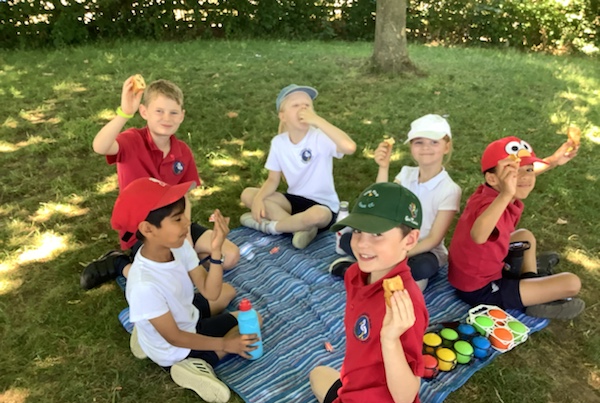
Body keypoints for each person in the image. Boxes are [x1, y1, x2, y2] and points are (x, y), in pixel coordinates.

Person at [261, 182, 429, 403]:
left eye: (377, 234)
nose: (362, 243)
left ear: (409, 240)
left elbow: (405, 395)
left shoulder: (402, 304)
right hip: (368, 401)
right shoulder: (355, 275)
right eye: (359, 230)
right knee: (318, 374)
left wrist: (389, 339)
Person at [80, 76, 240, 290]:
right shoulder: (132, 140)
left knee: (230, 256)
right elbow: (100, 147)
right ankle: (120, 264)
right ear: (144, 112)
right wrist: (124, 113)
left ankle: (182, 265)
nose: (167, 118)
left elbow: (184, 196)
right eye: (159, 111)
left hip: (175, 223)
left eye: (173, 112)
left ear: (182, 116)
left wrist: (186, 234)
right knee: (167, 281)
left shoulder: (182, 151)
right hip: (145, 230)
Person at [111, 177, 259, 403]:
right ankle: (194, 364)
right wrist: (225, 344)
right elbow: (176, 337)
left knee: (227, 291)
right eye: (178, 218)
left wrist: (216, 251)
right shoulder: (144, 285)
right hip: (175, 346)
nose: (187, 223)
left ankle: (147, 330)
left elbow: (211, 292)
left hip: (183, 315)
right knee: (253, 320)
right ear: (148, 229)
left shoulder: (177, 247)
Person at [448, 136, 585, 319]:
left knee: (525, 236)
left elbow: (521, 177)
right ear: (492, 178)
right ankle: (532, 303)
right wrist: (506, 194)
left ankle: (531, 280)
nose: (525, 176)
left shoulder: (489, 191)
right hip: (480, 289)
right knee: (572, 283)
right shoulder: (493, 204)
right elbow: (478, 235)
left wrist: (553, 161)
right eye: (512, 171)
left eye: (529, 169)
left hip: (475, 270)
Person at [329, 114, 461, 292]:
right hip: (393, 241)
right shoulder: (406, 173)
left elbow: (433, 240)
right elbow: (380, 201)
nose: (426, 148)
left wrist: (397, 254)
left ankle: (361, 272)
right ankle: (387, 277)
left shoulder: (450, 190)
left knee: (422, 267)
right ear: (411, 146)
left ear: (447, 147)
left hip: (422, 251)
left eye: (434, 142)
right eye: (419, 142)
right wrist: (383, 167)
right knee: (347, 239)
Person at [239, 84, 356, 249]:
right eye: (295, 105)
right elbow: (273, 180)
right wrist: (258, 199)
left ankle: (272, 227)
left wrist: (318, 121)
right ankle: (299, 228)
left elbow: (349, 147)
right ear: (283, 116)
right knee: (248, 194)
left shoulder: (319, 137)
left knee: (317, 215)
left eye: (307, 105)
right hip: (293, 201)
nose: (303, 109)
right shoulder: (278, 143)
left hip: (323, 206)